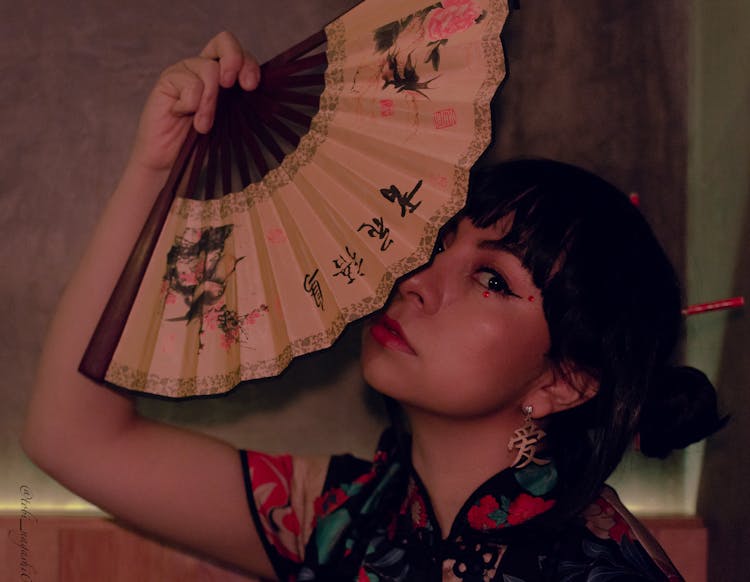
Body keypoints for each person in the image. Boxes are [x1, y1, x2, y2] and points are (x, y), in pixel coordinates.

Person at [23, 32, 724, 581]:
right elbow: (71, 436)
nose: (418, 279)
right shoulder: (348, 514)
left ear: (562, 381)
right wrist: (161, 168)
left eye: (492, 280)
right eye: (438, 243)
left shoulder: (602, 570)